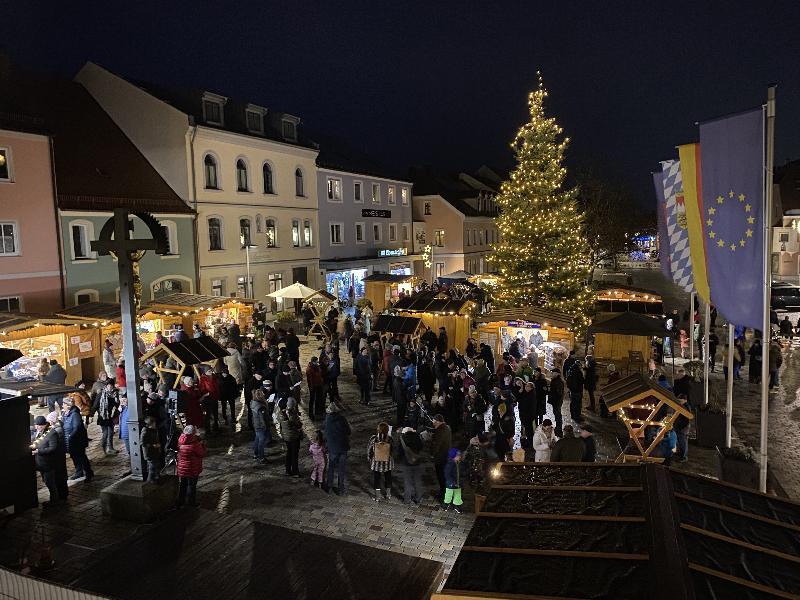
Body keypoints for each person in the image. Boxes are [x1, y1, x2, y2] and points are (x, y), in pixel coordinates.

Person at [31, 416, 65, 507]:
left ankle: (54, 501)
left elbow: (52, 448)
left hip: (48, 464)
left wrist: (39, 451)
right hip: (40, 464)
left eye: (40, 426)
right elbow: (35, 441)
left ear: (45, 425)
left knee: (50, 483)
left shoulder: (51, 433)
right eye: (36, 425)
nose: (38, 427)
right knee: (46, 481)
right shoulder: (37, 432)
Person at [62, 397, 93, 481]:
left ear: (68, 405)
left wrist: (70, 436)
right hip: (69, 441)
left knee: (81, 457)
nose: (62, 406)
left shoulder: (75, 414)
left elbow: (77, 428)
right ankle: (79, 472)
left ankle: (88, 473)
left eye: (64, 404)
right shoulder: (65, 414)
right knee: (74, 457)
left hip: (77, 441)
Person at [324, 402, 351, 495]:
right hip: (343, 447)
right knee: (341, 468)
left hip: (332, 447)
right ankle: (340, 489)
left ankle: (329, 486)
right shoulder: (342, 419)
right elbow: (348, 431)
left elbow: (326, 433)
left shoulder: (327, 419)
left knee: (331, 467)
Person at [176, 425, 207, 507]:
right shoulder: (195, 445)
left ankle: (180, 501)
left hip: (182, 468)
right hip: (192, 469)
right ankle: (191, 503)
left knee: (183, 485)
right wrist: (202, 445)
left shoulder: (180, 440)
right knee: (191, 486)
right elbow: (202, 454)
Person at [45, 411, 69, 503]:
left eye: (50, 421)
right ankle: (62, 494)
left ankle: (63, 495)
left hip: (59, 456)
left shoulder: (57, 430)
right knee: (60, 475)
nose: (49, 423)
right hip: (60, 455)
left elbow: (54, 444)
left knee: (60, 475)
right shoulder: (57, 427)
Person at [367, 422, 394, 501]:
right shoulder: (390, 439)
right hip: (387, 463)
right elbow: (392, 451)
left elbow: (369, 450)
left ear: (378, 429)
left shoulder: (373, 438)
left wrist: (369, 459)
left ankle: (378, 497)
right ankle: (388, 494)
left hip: (376, 463)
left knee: (377, 479)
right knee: (388, 477)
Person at [399, 426, 425, 505]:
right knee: (417, 480)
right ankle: (418, 498)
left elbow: (400, 451)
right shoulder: (417, 437)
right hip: (416, 462)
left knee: (407, 481)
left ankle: (407, 499)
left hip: (406, 463)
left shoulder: (403, 439)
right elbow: (421, 447)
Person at [93, 381, 119, 455]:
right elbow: (96, 405)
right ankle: (103, 447)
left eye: (111, 386)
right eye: (108, 386)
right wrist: (92, 414)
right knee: (105, 433)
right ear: (106, 386)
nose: (110, 387)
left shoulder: (115, 394)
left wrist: (115, 406)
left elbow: (117, 403)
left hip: (111, 416)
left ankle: (110, 448)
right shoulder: (101, 394)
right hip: (103, 416)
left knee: (110, 433)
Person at [430, 414, 452, 502]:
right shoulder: (446, 428)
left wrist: (432, 454)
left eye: (434, 422)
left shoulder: (440, 430)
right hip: (446, 456)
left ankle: (444, 497)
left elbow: (436, 445)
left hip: (441, 458)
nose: (433, 424)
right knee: (444, 477)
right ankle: (443, 494)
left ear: (438, 421)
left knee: (442, 477)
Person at [278, 405, 303, 477]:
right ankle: (295, 472)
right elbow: (298, 425)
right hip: (294, 437)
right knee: (294, 455)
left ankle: (288, 470)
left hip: (286, 438)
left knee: (289, 453)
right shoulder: (292, 417)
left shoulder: (281, 415)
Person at [442, 448, 465, 514]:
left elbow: (462, 472)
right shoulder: (449, 465)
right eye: (457, 456)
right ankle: (445, 505)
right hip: (451, 484)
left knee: (458, 496)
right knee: (448, 495)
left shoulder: (460, 464)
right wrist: (452, 482)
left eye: (459, 455)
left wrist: (462, 477)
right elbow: (447, 475)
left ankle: (457, 506)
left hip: (458, 483)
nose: (459, 457)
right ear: (452, 457)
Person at [251, 388, 270, 463]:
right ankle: (261, 457)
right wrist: (265, 426)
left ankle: (256, 454)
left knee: (257, 439)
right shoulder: (260, 406)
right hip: (260, 426)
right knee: (261, 442)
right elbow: (262, 419)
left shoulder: (254, 402)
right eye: (262, 394)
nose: (264, 394)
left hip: (256, 425)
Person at [140, 416, 162, 482]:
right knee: (152, 467)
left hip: (154, 452)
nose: (155, 424)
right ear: (150, 424)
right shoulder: (145, 431)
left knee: (155, 466)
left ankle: (154, 478)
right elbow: (142, 443)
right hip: (149, 453)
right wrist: (153, 445)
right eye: (154, 423)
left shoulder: (153, 430)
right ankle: (150, 481)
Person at [673, 395, 691, 463]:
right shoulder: (684, 406)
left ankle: (684, 456)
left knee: (683, 441)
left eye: (680, 400)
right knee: (681, 441)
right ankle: (681, 453)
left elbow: (686, 419)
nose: (679, 402)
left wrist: (680, 427)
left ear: (685, 400)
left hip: (683, 427)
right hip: (680, 426)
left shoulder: (685, 407)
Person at [306, 356, 325, 421]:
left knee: (319, 398)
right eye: (316, 362)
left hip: (319, 385)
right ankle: (311, 414)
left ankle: (318, 412)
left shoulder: (316, 367)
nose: (318, 363)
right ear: (313, 362)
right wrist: (311, 388)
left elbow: (320, 374)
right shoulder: (309, 369)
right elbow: (310, 380)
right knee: (312, 400)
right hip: (313, 386)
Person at [548, 369, 565, 437]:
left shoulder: (558, 381)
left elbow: (559, 393)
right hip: (555, 401)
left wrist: (552, 394)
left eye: (553, 373)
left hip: (557, 401)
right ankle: (558, 428)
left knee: (558, 415)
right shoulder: (555, 380)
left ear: (558, 374)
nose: (552, 374)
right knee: (556, 414)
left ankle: (559, 429)